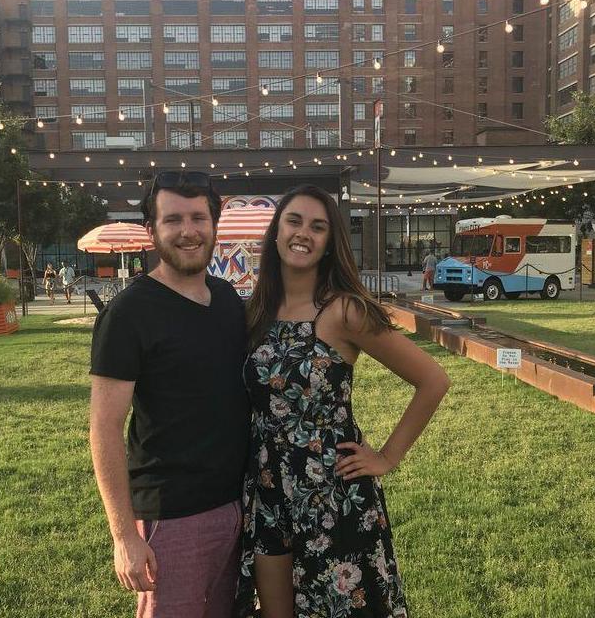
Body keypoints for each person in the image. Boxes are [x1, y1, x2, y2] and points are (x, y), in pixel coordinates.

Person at [235, 185, 451, 618]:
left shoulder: (343, 310)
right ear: (275, 232)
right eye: (294, 221)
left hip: (333, 493)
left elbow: (433, 380)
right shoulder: (255, 310)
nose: (303, 234)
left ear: (330, 243)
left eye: (319, 227)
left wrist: (388, 456)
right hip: (266, 489)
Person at [89, 170, 250, 618]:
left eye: (199, 217)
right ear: (151, 231)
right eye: (173, 219)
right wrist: (123, 536)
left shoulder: (227, 300)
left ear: (214, 225)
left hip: (240, 506)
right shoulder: (128, 314)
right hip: (172, 518)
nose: (188, 231)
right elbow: (104, 429)